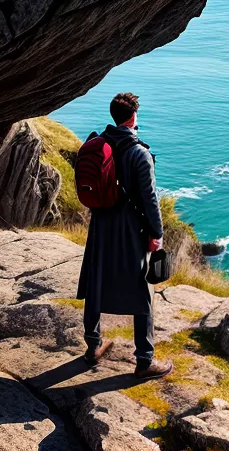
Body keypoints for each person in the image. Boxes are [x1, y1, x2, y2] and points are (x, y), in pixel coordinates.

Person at [76, 92, 171, 378]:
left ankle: (93, 346)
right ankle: (145, 359)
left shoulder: (96, 145)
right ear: (133, 117)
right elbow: (150, 198)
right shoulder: (139, 152)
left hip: (101, 225)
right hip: (131, 228)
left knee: (96, 280)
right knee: (143, 289)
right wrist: (156, 233)